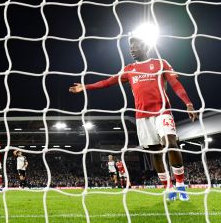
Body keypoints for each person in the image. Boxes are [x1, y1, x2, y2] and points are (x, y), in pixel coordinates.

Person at [69, 31, 197, 201]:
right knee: (155, 152)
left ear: (145, 46)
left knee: (171, 143)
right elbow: (108, 82)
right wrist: (86, 87)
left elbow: (176, 84)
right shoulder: (130, 69)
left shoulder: (160, 63)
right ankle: (168, 188)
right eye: (130, 48)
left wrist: (188, 103)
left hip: (162, 111)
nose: (131, 50)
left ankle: (180, 185)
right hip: (142, 116)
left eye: (134, 47)